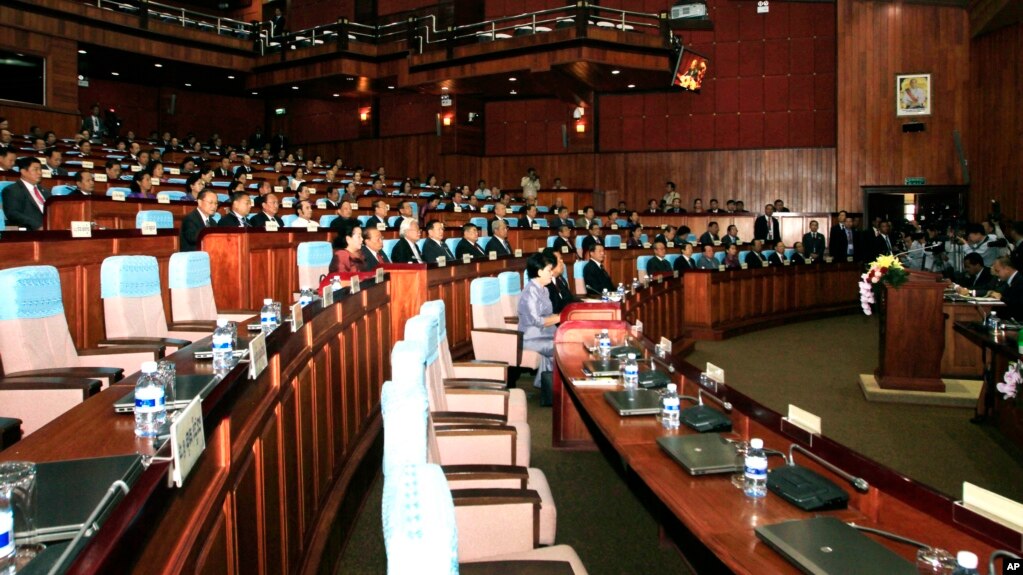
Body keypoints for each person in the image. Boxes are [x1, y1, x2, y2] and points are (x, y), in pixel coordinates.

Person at [518, 251, 559, 400]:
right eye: (549, 270)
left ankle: (549, 388)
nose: (552, 274)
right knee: (560, 347)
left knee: (567, 340)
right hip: (531, 336)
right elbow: (537, 320)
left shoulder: (544, 289)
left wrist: (562, 316)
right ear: (539, 271)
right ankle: (555, 389)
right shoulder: (530, 292)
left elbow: (548, 314)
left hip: (544, 333)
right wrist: (560, 317)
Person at [2, 157, 49, 230]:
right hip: (30, 230)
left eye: (40, 169)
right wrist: (37, 226)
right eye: (35, 169)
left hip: (50, 228)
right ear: (23, 172)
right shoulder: (12, 190)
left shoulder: (45, 191)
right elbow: (13, 214)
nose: (40, 172)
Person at [543, 248, 579, 314]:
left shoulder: (560, 279)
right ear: (550, 263)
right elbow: (553, 310)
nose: (562, 262)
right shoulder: (545, 284)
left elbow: (569, 299)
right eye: (560, 259)